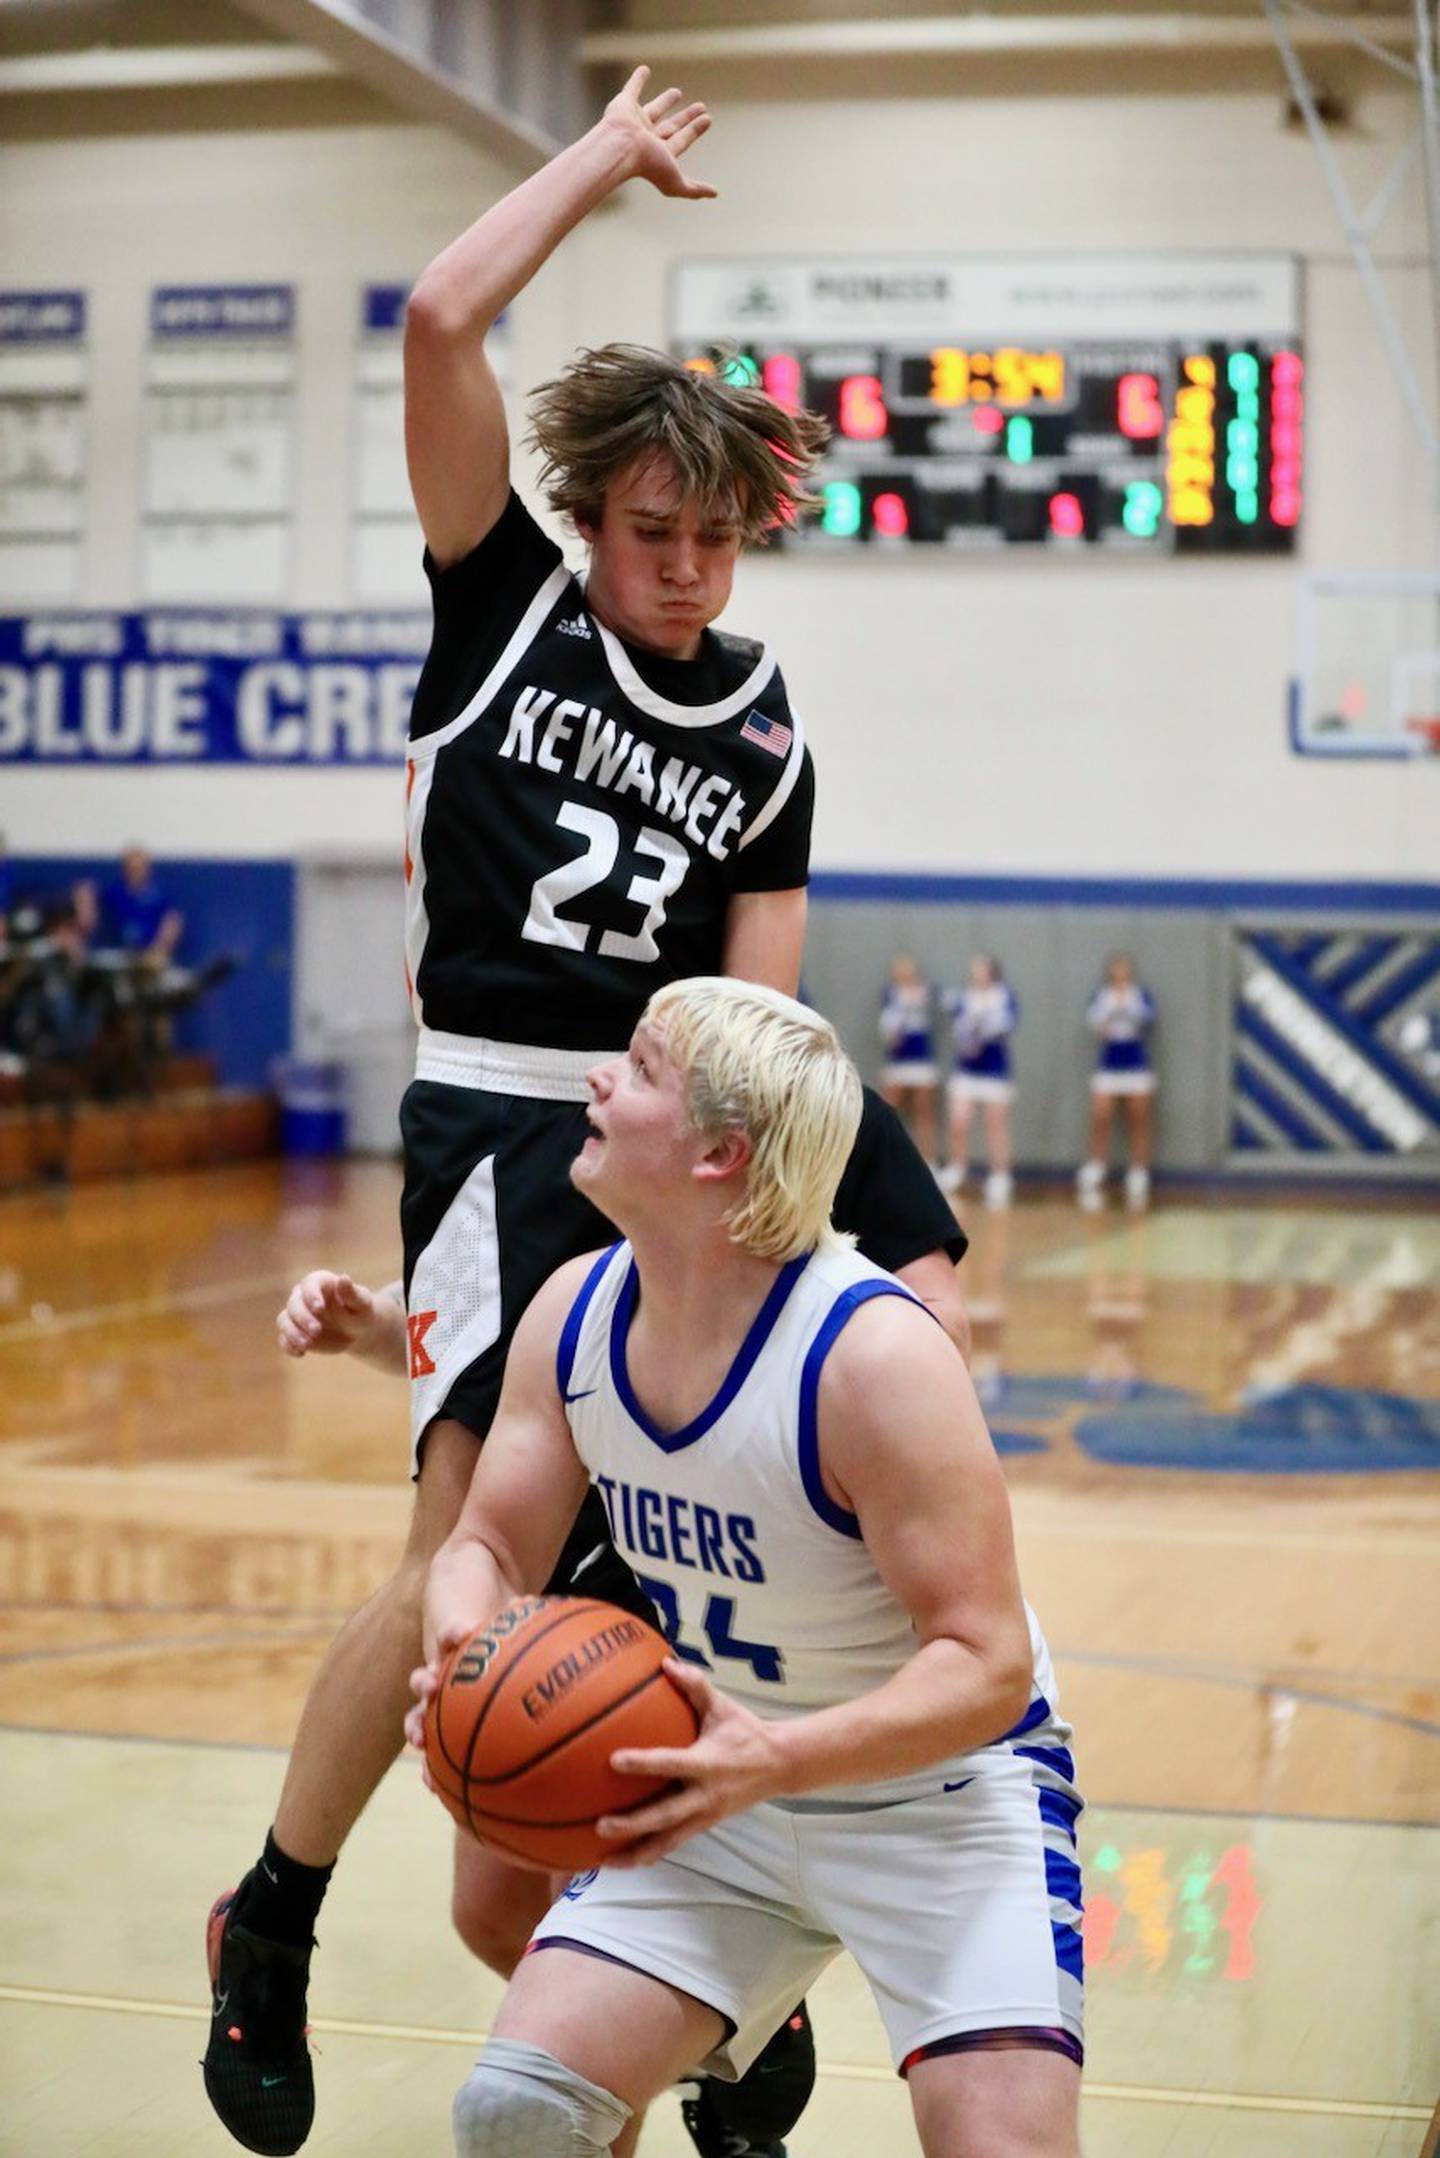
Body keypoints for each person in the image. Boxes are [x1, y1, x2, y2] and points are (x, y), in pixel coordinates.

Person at [202, 64, 839, 2158]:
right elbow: (438, 326)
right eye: (654, 534)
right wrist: (599, 161)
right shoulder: (503, 601)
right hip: (494, 1120)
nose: (683, 571)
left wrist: (744, 1222)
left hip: (675, 1147)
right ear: (592, 521)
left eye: (715, 542)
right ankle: (273, 1915)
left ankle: (704, 1994)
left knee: (665, 1595)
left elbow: (762, 1018)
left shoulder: (765, 733)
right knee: (457, 1522)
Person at [406, 979, 1084, 2158]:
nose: (599, 1079)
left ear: (720, 1152)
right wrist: (468, 1653)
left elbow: (986, 1662)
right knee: (518, 2115)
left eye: (642, 1068)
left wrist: (771, 1758)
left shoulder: (873, 1356)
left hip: (942, 1803)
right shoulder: (573, 1313)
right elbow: (488, 1544)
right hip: (715, 1797)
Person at [274, 1080, 969, 2158]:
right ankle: (726, 2021)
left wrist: (807, 1404)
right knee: (493, 1905)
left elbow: (936, 1321)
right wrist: (379, 1324)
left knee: (592, 1910)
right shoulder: (576, 1127)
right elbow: (483, 1323)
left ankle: (691, 2026)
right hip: (578, 1528)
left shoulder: (809, 1101)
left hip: (742, 1575)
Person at [1075, 953, 1157, 1213]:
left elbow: (1147, 1020)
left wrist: (1128, 1009)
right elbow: (1097, 1025)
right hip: (1109, 1064)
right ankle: (1097, 1166)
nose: (1120, 973)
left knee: (1138, 1117)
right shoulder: (1102, 996)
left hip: (1135, 1063)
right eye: (1116, 969)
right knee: (1101, 1115)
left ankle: (1138, 1170)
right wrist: (1111, 1013)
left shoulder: (1140, 995)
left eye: (1124, 968)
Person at [940, 954, 1018, 1210]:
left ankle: (1000, 1176)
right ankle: (958, 1168)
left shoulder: (1004, 997)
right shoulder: (965, 997)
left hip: (994, 1070)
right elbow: (958, 1027)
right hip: (966, 1070)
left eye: (982, 969)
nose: (977, 974)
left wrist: (980, 1027)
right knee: (959, 1120)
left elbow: (1004, 1026)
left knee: (995, 1124)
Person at [878, 954, 939, 1169]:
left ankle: (928, 1163)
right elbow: (888, 1032)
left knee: (924, 1111)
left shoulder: (926, 991)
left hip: (921, 1059)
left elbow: (938, 999)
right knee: (887, 1110)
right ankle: (882, 1161)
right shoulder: (890, 994)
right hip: (897, 1061)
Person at [100, 845, 183, 962]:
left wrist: (158, 949)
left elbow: (172, 922)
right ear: (124, 870)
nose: (135, 874)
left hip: (153, 954)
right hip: (121, 954)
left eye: (139, 869)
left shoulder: (160, 895)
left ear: (148, 870)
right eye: (131, 869)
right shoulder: (113, 893)